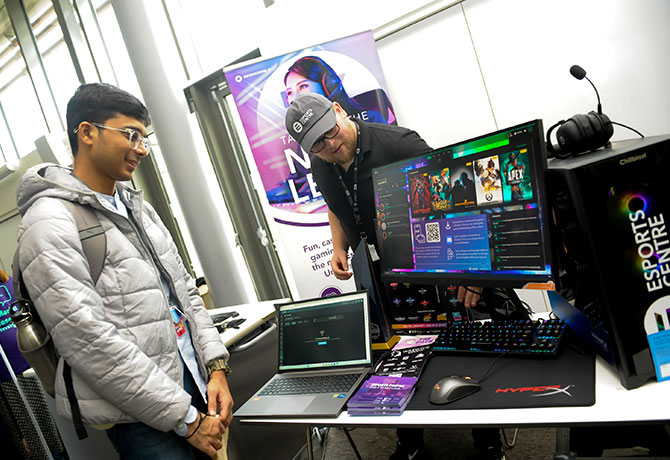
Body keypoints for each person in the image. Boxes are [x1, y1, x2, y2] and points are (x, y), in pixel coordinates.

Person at [15, 83, 232, 460]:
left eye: (145, 138)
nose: (141, 148)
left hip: (194, 384)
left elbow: (184, 291)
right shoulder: (48, 222)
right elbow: (89, 341)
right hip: (139, 415)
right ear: (87, 132)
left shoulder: (137, 209)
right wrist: (185, 419)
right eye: (130, 134)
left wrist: (215, 367)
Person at [285, 93, 506, 460]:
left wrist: (473, 268)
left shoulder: (401, 144)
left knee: (462, 350)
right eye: (318, 145)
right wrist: (339, 246)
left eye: (330, 132)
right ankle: (409, 441)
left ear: (338, 110)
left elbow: (459, 199)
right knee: (395, 358)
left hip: (429, 266)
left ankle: (487, 443)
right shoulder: (321, 162)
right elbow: (335, 205)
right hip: (376, 274)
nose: (330, 145)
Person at [284, 55, 389, 124]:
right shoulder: (306, 143)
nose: (295, 99)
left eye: (303, 86)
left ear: (329, 85)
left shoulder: (372, 120)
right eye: (289, 92)